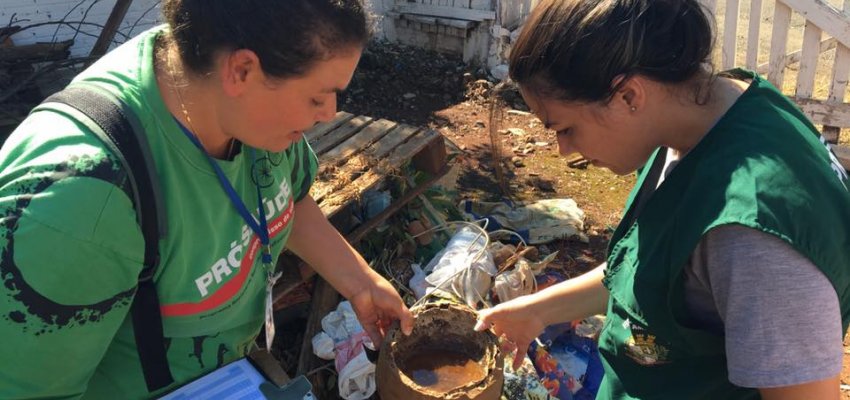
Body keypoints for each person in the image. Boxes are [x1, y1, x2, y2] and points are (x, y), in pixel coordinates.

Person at [0, 0, 413, 398]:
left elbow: (288, 197)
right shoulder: (76, 202)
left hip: (232, 376)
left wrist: (360, 282)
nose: (330, 113)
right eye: (317, 98)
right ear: (242, 70)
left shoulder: (229, 89)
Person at [474, 0, 850, 399]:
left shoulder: (751, 237)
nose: (563, 151)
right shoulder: (700, 117)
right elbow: (652, 272)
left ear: (628, 96)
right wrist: (538, 311)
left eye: (565, 128)